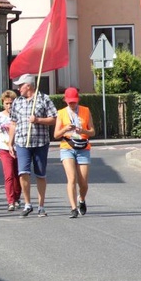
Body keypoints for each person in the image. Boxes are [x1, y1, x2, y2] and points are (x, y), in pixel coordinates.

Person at [8, 74, 57, 217]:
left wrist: (38, 119)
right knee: (23, 172)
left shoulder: (44, 99)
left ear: (28, 85)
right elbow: (13, 122)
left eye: (20, 85)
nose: (18, 88)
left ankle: (41, 206)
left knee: (40, 174)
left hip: (40, 142)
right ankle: (27, 203)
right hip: (22, 142)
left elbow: (54, 119)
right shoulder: (17, 101)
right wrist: (10, 143)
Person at [54, 87, 95, 218]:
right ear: (65, 100)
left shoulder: (85, 110)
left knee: (83, 183)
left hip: (83, 147)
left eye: (74, 101)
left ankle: (81, 199)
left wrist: (84, 131)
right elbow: (56, 135)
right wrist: (65, 128)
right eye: (70, 102)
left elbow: (93, 131)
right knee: (71, 178)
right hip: (67, 146)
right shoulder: (61, 113)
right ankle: (73, 208)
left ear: (78, 100)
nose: (72, 104)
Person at [0, 90, 21, 211]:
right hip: (4, 149)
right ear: (3, 103)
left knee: (18, 175)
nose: (9, 106)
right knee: (8, 175)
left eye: (11, 103)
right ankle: (11, 201)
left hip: (18, 148)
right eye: (6, 103)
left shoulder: (19, 115)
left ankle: (17, 196)